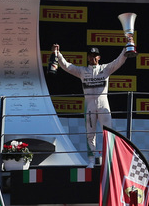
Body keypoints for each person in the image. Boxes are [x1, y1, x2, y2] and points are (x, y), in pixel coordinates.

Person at [51, 39, 132, 167]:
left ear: (99, 57)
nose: (93, 57)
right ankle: (91, 161)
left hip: (103, 104)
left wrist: (126, 47)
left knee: (108, 133)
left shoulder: (105, 69)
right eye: (90, 55)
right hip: (89, 106)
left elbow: (119, 61)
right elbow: (67, 66)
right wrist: (58, 54)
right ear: (88, 57)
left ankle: (109, 160)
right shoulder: (82, 71)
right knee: (90, 134)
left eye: (95, 55)